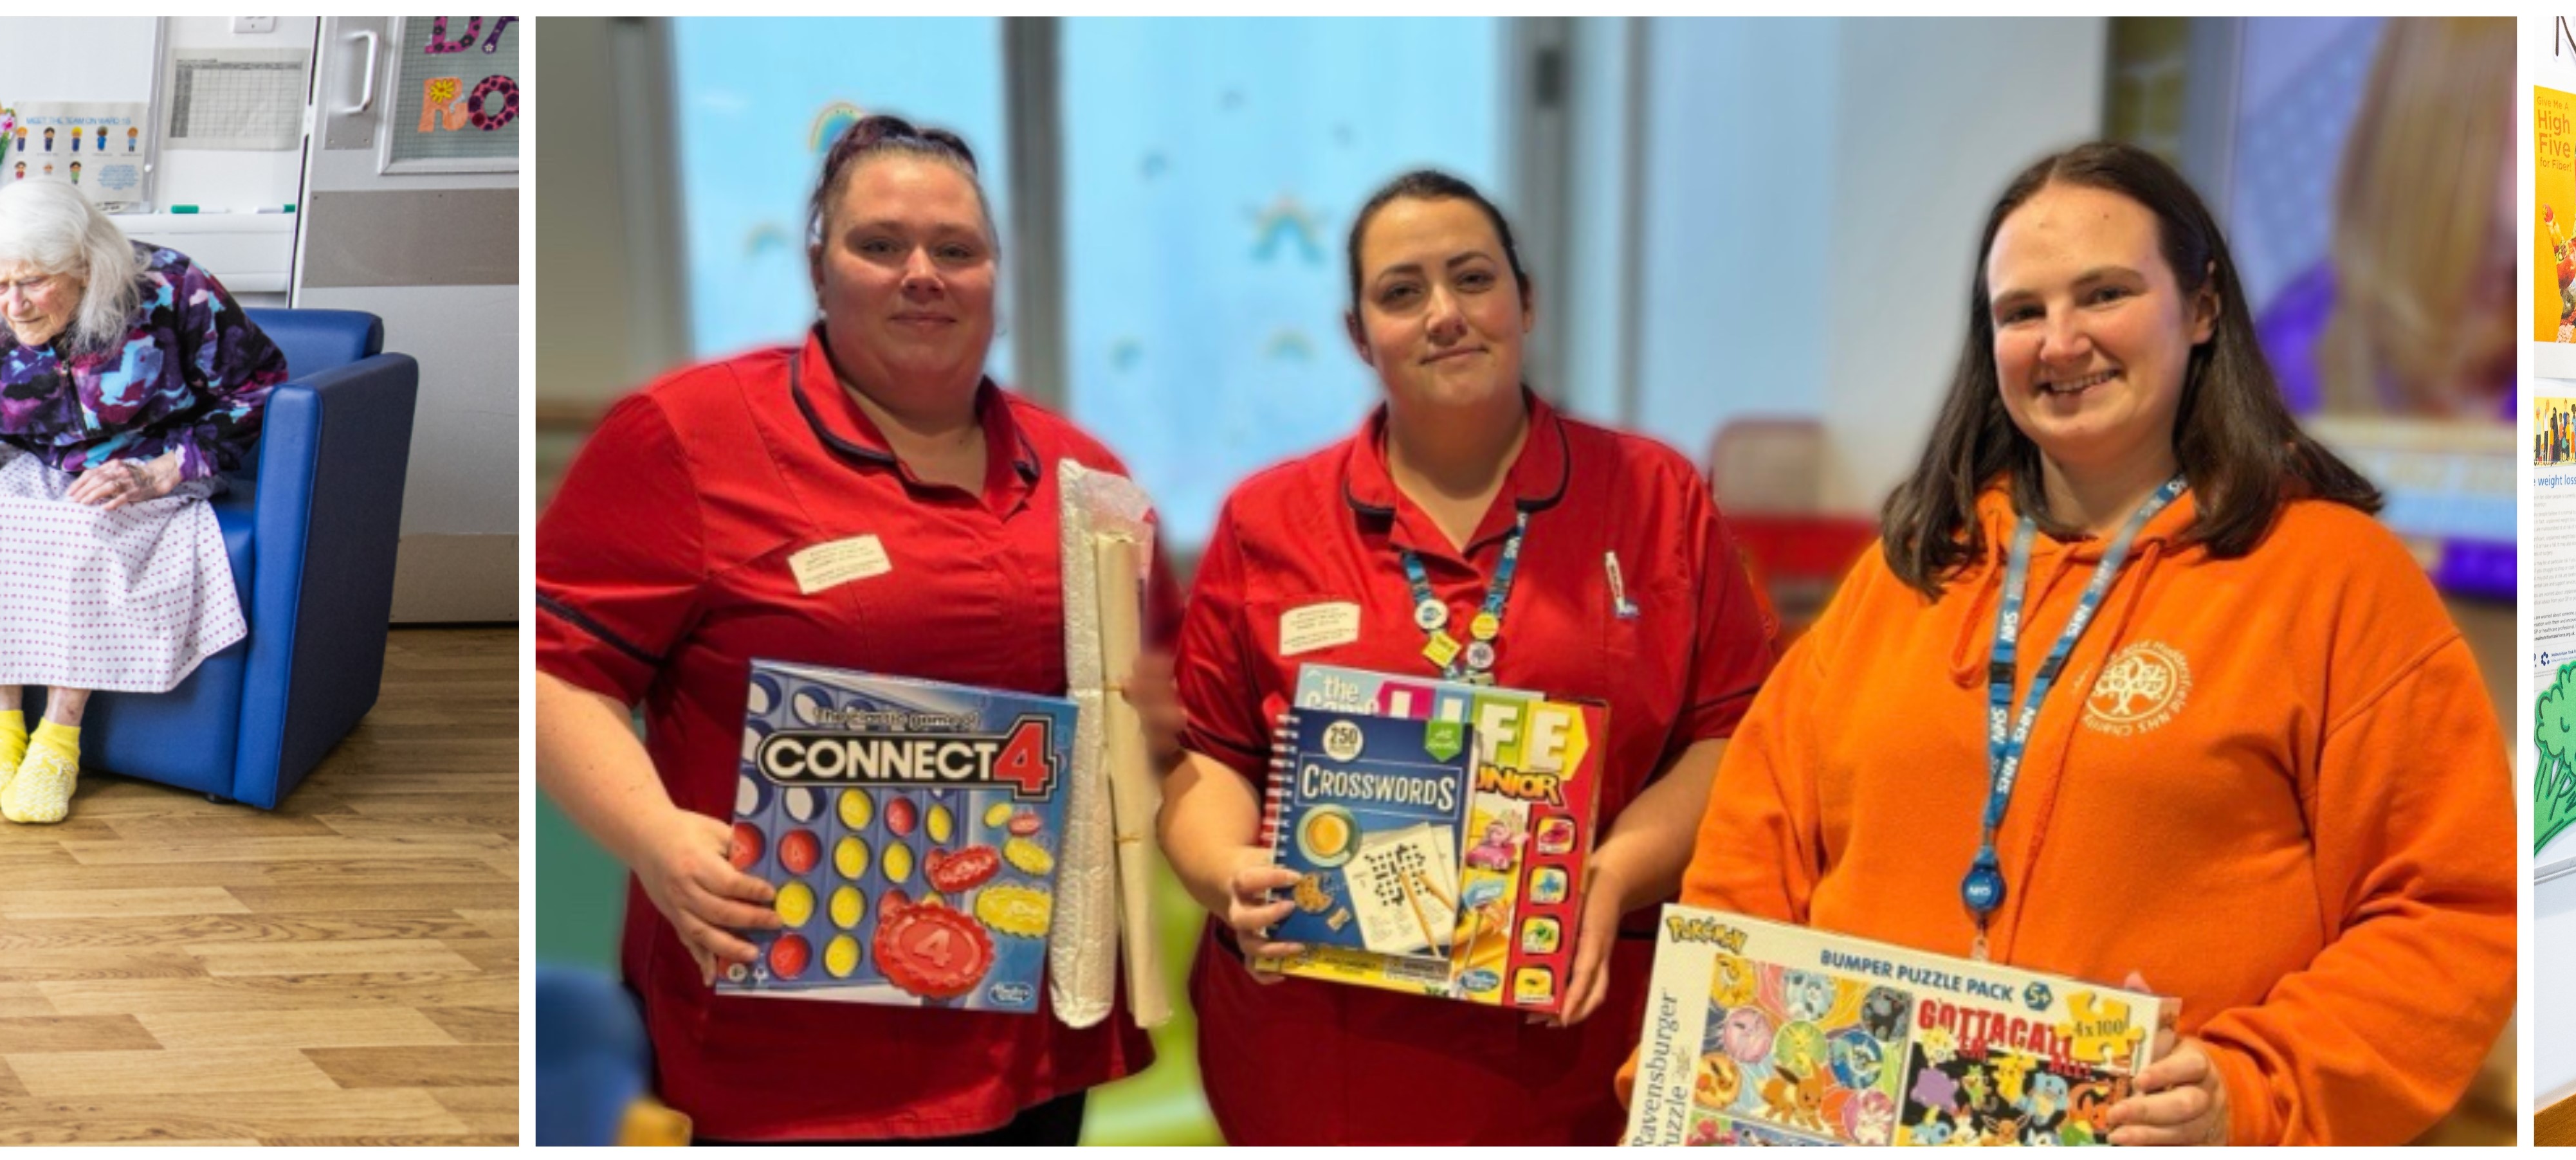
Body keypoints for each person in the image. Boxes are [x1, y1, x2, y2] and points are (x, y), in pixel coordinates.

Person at [1677, 141, 2514, 1146]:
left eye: (2104, 294)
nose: (2060, 341)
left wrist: (2251, 1089)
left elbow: (2451, 912)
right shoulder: (1908, 571)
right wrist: (1692, 1070)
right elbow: (1750, 848)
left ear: (2202, 309)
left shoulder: (2336, 580)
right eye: (2021, 312)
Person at [533, 114, 1151, 1145]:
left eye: (957, 250)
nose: (924, 273)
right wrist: (653, 837)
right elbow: (559, 672)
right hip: (782, 1033)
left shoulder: (1089, 480)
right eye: (881, 245)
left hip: (1020, 1024)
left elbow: (1143, 718)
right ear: (820, 269)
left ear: (996, 280)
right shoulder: (690, 436)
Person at [1158, 170, 1778, 1145]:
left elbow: (1730, 737)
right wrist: (1225, 873)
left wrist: (1609, 875)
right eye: (1401, 292)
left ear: (1524, 302)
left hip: (1574, 1032)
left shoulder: (1656, 497)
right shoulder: (1268, 519)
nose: (1444, 314)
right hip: (1318, 1049)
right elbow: (1212, 753)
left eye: (1472, 278)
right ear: (1361, 336)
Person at [0, 177, 289, 824]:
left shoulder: (173, 292)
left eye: (33, 282)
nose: (13, 305)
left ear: (84, 265)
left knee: (86, 522)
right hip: (43, 462)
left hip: (159, 457)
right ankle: (3, 730)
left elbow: (262, 390)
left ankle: (57, 741)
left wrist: (166, 470)